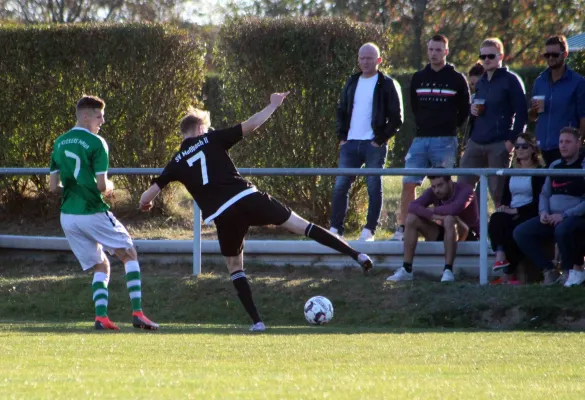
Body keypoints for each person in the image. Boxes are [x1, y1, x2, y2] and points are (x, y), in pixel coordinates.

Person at [139, 93, 374, 332]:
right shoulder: (212, 139)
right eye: (208, 127)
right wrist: (272, 105)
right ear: (201, 128)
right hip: (247, 198)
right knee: (302, 226)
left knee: (235, 268)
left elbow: (147, 196)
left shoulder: (175, 161)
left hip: (224, 215)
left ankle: (257, 322)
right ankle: (357, 255)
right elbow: (251, 124)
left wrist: (145, 203)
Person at [49, 95, 158, 331]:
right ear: (86, 116)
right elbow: (101, 185)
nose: (103, 121)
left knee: (101, 265)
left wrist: (75, 187)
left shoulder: (59, 142)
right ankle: (138, 313)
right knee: (129, 253)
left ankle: (101, 317)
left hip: (68, 216)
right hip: (92, 211)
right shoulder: (97, 142)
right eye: (99, 116)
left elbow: (52, 187)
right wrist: (110, 187)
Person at [391, 34, 470, 241]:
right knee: (409, 182)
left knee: (443, 187)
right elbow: (415, 108)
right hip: (420, 139)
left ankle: (443, 229)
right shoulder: (418, 77)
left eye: (438, 50)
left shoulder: (457, 78)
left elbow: (464, 111)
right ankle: (403, 229)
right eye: (431, 49)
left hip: (445, 140)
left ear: (446, 51)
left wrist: (449, 127)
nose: (434, 53)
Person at [330, 42, 403, 241]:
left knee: (373, 186)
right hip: (350, 144)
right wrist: (342, 138)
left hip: (373, 145)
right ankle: (335, 230)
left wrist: (379, 140)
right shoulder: (352, 82)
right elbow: (341, 110)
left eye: (369, 58)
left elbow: (397, 118)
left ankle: (369, 230)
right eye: (362, 58)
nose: (365, 61)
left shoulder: (387, 83)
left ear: (378, 60)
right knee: (340, 186)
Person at [459, 38, 528, 207]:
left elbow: (522, 114)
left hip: (499, 144)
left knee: (499, 196)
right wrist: (473, 110)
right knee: (461, 192)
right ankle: (471, 232)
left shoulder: (511, 80)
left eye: (491, 55)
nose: (486, 60)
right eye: (483, 57)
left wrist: (511, 143)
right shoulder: (481, 81)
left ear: (501, 56)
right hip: (475, 142)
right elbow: (479, 110)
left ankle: (500, 232)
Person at [513, 127, 585, 286]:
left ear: (579, 143)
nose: (563, 145)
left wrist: (564, 215)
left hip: (574, 217)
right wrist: (543, 212)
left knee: (563, 229)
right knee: (521, 232)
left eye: (568, 142)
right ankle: (549, 270)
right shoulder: (554, 165)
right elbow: (545, 194)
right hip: (550, 217)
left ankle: (568, 272)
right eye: (561, 142)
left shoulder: (583, 166)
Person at [386, 172, 479, 283]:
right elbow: (412, 206)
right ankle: (407, 269)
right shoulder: (434, 193)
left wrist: (430, 211)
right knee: (411, 218)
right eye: (433, 186)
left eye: (440, 185)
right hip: (444, 231)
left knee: (449, 218)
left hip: (469, 234)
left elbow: (455, 209)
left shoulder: (466, 190)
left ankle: (448, 270)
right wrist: (433, 216)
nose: (436, 190)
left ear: (450, 182)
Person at [488, 134, 545, 284]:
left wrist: (517, 211)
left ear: (533, 149)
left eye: (524, 146)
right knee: (496, 218)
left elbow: (540, 200)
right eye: (517, 146)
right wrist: (505, 207)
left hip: (530, 212)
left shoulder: (540, 172)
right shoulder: (512, 171)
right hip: (511, 210)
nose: (520, 149)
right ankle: (500, 256)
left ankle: (508, 273)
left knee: (517, 230)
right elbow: (507, 196)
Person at [530, 35, 585, 166]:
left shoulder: (578, 82)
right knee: (542, 186)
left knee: (562, 185)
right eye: (547, 55)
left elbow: (584, 118)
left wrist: (579, 145)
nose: (550, 58)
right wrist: (533, 111)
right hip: (542, 148)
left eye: (554, 54)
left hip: (566, 149)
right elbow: (533, 117)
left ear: (565, 54)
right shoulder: (540, 81)